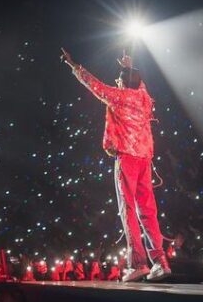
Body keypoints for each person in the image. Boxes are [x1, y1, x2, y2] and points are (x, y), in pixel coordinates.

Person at [60, 48, 171, 283]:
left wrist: (74, 66)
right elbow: (139, 84)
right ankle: (160, 262)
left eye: (119, 80)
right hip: (145, 159)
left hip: (128, 159)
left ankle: (137, 264)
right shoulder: (144, 98)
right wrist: (129, 66)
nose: (117, 82)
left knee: (129, 210)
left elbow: (95, 85)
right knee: (148, 211)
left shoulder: (120, 97)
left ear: (123, 83)